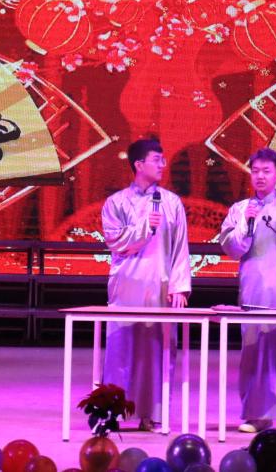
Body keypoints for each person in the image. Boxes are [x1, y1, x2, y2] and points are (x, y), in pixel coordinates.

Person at [218, 147, 276, 433]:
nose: (260, 176)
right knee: (254, 351)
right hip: (253, 289)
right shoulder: (240, 209)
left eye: (266, 171)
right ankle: (256, 415)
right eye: (255, 171)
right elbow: (231, 247)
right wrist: (246, 224)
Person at [101, 137, 191, 431]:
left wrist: (179, 285)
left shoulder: (171, 203)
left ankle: (152, 414)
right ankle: (112, 412)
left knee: (157, 352)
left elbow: (180, 247)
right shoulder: (115, 203)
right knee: (121, 350)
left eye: (163, 160)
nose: (162, 165)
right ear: (139, 165)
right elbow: (116, 241)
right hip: (126, 285)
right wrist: (144, 227)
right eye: (156, 160)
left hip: (160, 285)